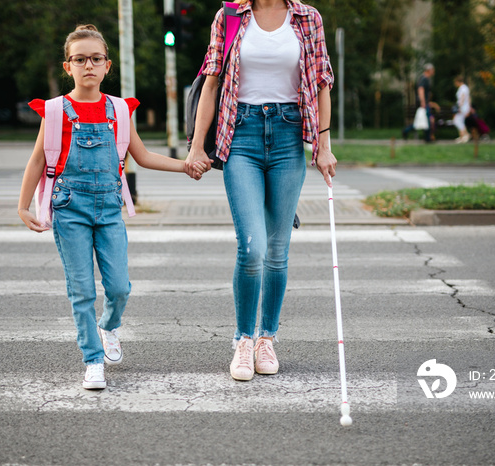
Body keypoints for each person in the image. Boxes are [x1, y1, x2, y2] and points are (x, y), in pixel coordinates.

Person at [17, 24, 205, 390]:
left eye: (96, 58)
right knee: (82, 290)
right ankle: (92, 360)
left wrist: (184, 165)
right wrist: (24, 206)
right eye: (80, 59)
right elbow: (37, 160)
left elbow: (143, 155)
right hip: (68, 206)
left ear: (107, 66)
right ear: (67, 66)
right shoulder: (54, 111)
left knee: (119, 287)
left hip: (108, 209)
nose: (89, 65)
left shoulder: (119, 109)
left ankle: (108, 327)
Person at [185, 0, 336, 381]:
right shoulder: (231, 16)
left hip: (288, 137)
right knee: (251, 246)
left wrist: (324, 145)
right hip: (241, 137)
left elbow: (321, 82)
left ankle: (266, 338)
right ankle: (243, 340)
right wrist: (197, 145)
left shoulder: (308, 18)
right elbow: (211, 81)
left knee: (277, 249)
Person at [402, 63, 435, 142]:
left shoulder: (426, 78)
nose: (433, 71)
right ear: (429, 70)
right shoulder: (423, 78)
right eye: (432, 70)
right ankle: (427, 138)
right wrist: (423, 102)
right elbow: (420, 90)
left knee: (421, 121)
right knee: (426, 120)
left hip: (424, 103)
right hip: (423, 103)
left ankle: (406, 131)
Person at [453, 75, 471, 143]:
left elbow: (462, 98)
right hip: (465, 107)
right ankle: (463, 136)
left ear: (458, 82)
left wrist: (459, 107)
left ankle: (465, 135)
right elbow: (469, 98)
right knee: (460, 121)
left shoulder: (462, 88)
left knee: (457, 121)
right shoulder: (466, 88)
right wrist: (469, 107)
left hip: (462, 107)